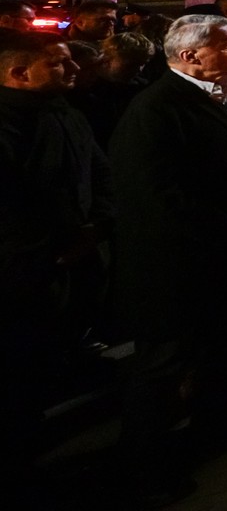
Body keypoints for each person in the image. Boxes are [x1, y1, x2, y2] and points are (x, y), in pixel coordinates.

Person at [109, 15, 227, 504]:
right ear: (189, 56)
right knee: (165, 365)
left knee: (223, 347)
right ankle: (145, 468)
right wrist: (226, 219)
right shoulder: (155, 109)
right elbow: (150, 193)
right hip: (174, 263)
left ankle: (212, 431)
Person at [0, 31, 113, 468]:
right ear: (20, 72)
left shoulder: (64, 111)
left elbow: (98, 169)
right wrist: (54, 245)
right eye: (60, 63)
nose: (73, 70)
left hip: (77, 251)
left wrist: (99, 223)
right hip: (25, 267)